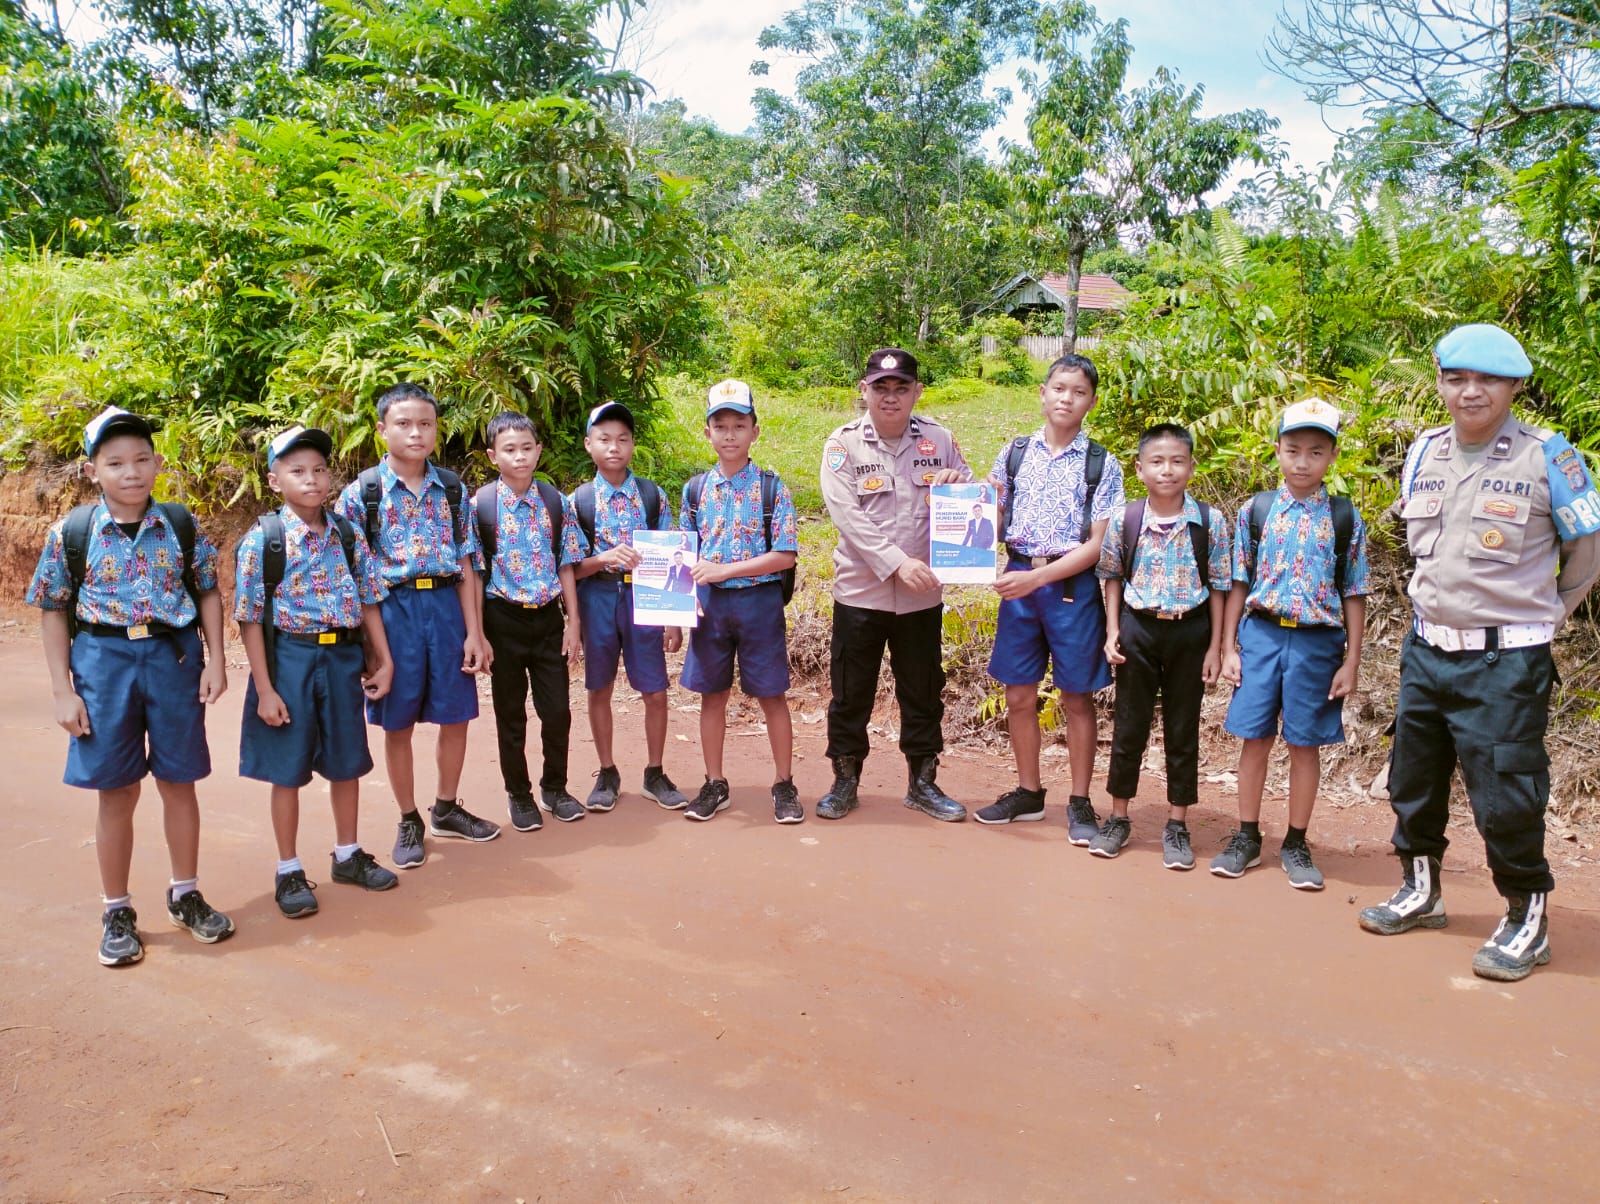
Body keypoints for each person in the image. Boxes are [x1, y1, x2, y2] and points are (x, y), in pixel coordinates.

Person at [1359, 323, 1600, 982]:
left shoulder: (1552, 457)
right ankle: (1421, 889)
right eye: (1456, 378)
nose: (1470, 392)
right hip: (1426, 649)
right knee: (1413, 781)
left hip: (1506, 662)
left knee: (1505, 795)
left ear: (1515, 386)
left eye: (1487, 380)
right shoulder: (1424, 451)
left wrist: (1552, 614)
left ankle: (1527, 915)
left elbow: (1587, 549)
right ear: (1439, 382)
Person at [27, 406, 234, 966]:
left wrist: (217, 660)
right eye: (115, 462)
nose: (131, 471)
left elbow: (210, 592)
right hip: (102, 660)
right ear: (93, 471)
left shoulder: (181, 524)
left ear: (158, 463)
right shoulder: (72, 532)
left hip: (173, 656)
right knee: (115, 789)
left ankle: (185, 893)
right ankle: (116, 909)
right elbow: (52, 609)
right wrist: (62, 690)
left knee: (179, 780)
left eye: (142, 459)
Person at [332, 382, 499, 868]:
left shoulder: (451, 488)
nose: (416, 433)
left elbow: (469, 563)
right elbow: (356, 578)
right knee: (397, 721)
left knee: (456, 713)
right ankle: (409, 817)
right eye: (403, 424)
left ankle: (446, 806)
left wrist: (475, 631)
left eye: (425, 423)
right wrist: (374, 651)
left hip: (447, 607)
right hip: (393, 612)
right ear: (382, 429)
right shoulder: (360, 494)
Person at [235, 426, 399, 918]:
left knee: (347, 760)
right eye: (297, 471)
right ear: (274, 478)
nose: (312, 479)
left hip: (342, 658)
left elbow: (369, 600)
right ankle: (288, 868)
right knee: (287, 768)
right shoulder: (265, 540)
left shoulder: (346, 534)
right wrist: (265, 689)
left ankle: (347, 854)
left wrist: (383, 659)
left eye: (320, 470)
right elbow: (249, 618)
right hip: (291, 659)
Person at [1213, 397, 1369, 888]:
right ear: (1276, 451)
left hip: (1317, 645)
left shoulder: (1344, 518)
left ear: (1332, 457)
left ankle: (1297, 842)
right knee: (1254, 737)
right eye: (1293, 449)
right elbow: (1239, 581)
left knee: (1305, 744)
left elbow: (1354, 591)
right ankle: (1246, 835)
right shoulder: (1256, 511)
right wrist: (1228, 648)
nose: (1303, 462)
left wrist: (1352, 662)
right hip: (1260, 636)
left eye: (1316, 452)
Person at [816, 347, 973, 821]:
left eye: (900, 387)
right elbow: (847, 517)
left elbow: (970, 496)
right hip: (861, 593)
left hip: (922, 596)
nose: (890, 397)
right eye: (880, 387)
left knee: (923, 691)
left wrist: (957, 482)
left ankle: (923, 784)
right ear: (863, 390)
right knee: (851, 691)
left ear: (916, 392)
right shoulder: (841, 446)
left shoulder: (940, 439)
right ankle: (845, 781)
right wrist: (897, 562)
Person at [975, 354, 1124, 839]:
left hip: (1070, 590)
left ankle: (1080, 803)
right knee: (1018, 693)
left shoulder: (1102, 464)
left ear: (1091, 402)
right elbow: (993, 524)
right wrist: (962, 501)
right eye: (1059, 388)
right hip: (1018, 581)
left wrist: (1035, 581)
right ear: (1042, 393)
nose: (1067, 398)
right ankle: (1029, 792)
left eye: (1078, 392)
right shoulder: (1014, 453)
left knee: (1077, 696)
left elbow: (1098, 547)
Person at [1092, 423, 1232, 868]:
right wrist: (1113, 631)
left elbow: (1220, 587)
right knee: (1128, 725)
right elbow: (1112, 575)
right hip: (1139, 629)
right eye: (1156, 461)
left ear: (1191, 467)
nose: (1166, 470)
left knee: (1182, 728)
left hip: (1190, 633)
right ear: (1139, 468)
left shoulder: (1209, 522)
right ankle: (1118, 817)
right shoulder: (1126, 519)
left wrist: (1216, 648)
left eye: (1176, 461)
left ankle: (1177, 823)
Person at [678, 379, 803, 823]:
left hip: (759, 603)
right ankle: (714, 783)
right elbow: (682, 557)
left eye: (739, 424)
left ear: (755, 430)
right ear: (706, 432)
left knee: (772, 695)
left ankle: (784, 783)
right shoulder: (695, 491)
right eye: (720, 425)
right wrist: (675, 614)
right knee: (712, 696)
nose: (729, 434)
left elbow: (784, 555)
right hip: (709, 606)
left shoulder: (772, 488)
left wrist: (725, 570)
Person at [570, 400, 690, 814]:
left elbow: (673, 553)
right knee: (598, 687)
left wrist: (673, 620)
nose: (614, 447)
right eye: (604, 439)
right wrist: (604, 558)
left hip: (647, 597)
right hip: (598, 597)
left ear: (633, 445)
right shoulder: (578, 502)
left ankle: (655, 772)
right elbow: (570, 567)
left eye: (622, 439)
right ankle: (607, 771)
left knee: (655, 690)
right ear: (589, 445)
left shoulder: (651, 495)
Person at [476, 412, 586, 831]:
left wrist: (573, 621)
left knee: (557, 711)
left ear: (538, 450)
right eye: (509, 450)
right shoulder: (480, 506)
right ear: (493, 456)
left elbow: (566, 566)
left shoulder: (556, 503)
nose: (519, 457)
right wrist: (479, 633)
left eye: (527, 448)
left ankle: (554, 788)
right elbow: (476, 573)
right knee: (510, 713)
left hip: (548, 621)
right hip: (502, 621)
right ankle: (518, 794)